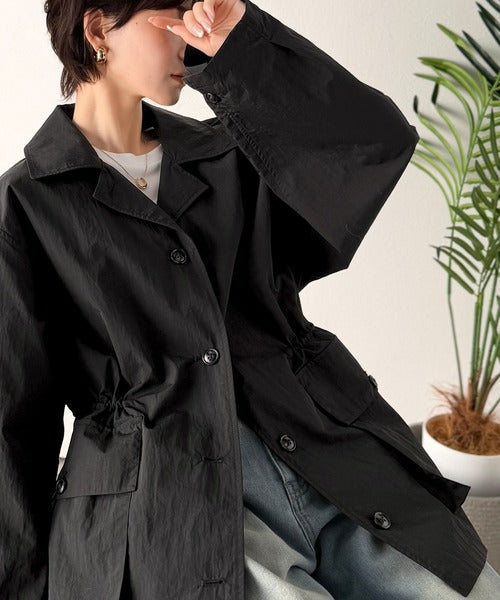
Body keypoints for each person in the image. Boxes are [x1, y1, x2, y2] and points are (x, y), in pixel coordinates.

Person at [0, 0, 499, 598]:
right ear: (97, 27)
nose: (190, 34)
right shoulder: (25, 205)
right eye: (172, 11)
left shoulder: (231, 153)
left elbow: (372, 145)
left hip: (327, 457)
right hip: (173, 509)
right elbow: (12, 429)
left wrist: (243, 44)